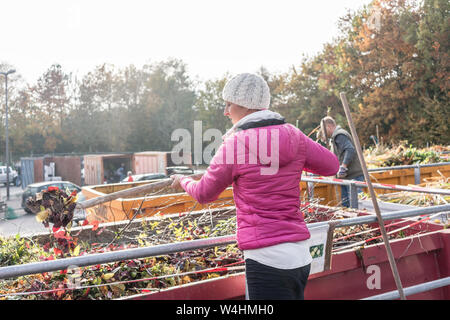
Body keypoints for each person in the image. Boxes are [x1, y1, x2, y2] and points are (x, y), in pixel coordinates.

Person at [171, 73, 339, 300]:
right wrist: (294, 162)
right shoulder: (294, 135)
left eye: (228, 103)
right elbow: (331, 165)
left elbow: (203, 193)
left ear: (245, 105)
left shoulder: (235, 143)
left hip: (266, 259)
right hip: (300, 257)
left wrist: (183, 180)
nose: (225, 111)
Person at [319, 116, 364, 207]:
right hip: (346, 177)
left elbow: (350, 149)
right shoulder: (334, 138)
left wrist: (343, 166)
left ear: (328, 127)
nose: (323, 133)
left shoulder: (339, 135)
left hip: (353, 175)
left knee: (357, 205)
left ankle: (361, 221)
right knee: (346, 204)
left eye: (324, 130)